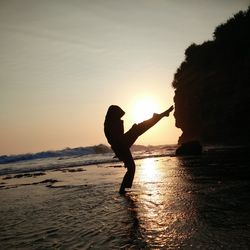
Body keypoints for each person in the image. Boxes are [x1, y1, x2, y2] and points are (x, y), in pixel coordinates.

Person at [104, 104, 174, 194]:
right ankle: (122, 190)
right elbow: (113, 139)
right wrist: (118, 151)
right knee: (138, 129)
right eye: (119, 116)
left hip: (122, 144)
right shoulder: (110, 124)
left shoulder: (110, 122)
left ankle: (123, 189)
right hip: (121, 144)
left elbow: (113, 139)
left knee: (138, 129)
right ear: (114, 114)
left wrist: (118, 151)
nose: (120, 118)